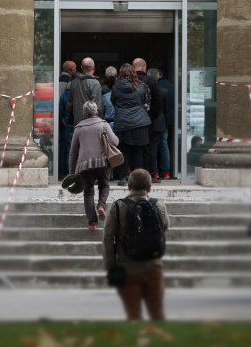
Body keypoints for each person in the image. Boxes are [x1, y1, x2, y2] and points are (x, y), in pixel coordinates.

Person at [102, 169, 170, 321]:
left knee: (133, 315)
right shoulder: (159, 205)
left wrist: (111, 266)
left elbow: (107, 237)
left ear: (129, 186)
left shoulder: (117, 206)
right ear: (149, 188)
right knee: (157, 313)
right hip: (153, 266)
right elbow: (165, 227)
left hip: (128, 268)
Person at [69, 101, 118, 231]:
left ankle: (92, 223)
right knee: (104, 185)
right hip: (102, 162)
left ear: (84, 114)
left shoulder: (78, 128)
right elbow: (115, 142)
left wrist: (72, 172)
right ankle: (101, 206)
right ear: (96, 112)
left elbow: (73, 153)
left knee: (88, 192)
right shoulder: (103, 124)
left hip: (84, 164)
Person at [111, 64, 151, 186]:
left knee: (123, 151)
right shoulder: (141, 86)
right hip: (139, 123)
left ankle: (123, 177)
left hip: (122, 123)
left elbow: (113, 102)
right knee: (138, 151)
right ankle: (137, 179)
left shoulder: (116, 87)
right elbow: (146, 103)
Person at [133, 58, 163, 182]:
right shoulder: (150, 81)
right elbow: (158, 101)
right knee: (147, 147)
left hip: (132, 119)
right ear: (144, 67)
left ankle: (134, 174)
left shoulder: (129, 81)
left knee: (133, 147)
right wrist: (152, 115)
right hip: (147, 119)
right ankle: (149, 174)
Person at [67, 57, 104, 127]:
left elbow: (69, 104)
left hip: (77, 122)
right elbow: (98, 106)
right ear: (93, 67)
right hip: (92, 124)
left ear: (81, 67)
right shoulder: (95, 83)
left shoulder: (74, 82)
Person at [147, 68, 169, 180]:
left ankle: (154, 171)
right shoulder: (164, 91)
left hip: (147, 122)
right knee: (161, 146)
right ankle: (164, 171)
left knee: (149, 148)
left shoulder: (144, 90)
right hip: (159, 122)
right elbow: (165, 109)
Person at [157, 71, 175, 178]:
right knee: (164, 144)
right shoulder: (172, 87)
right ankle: (165, 171)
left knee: (155, 145)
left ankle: (156, 171)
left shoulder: (156, 86)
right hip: (168, 120)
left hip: (158, 120)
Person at [58, 84, 73, 180]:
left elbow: (61, 111)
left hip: (68, 125)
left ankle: (68, 172)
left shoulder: (63, 95)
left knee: (68, 149)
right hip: (75, 124)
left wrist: (65, 122)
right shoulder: (75, 94)